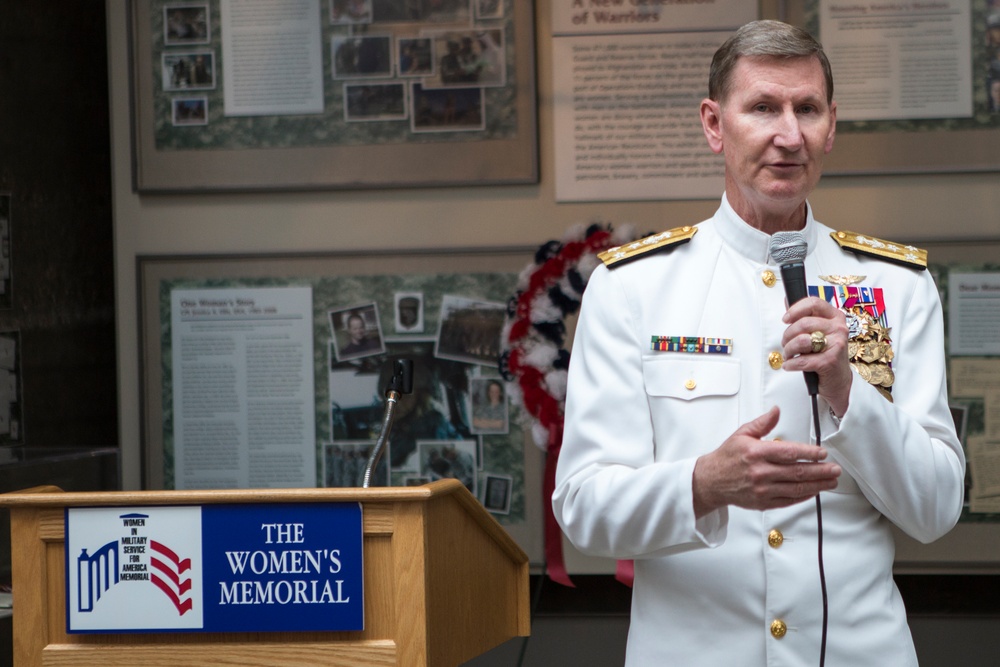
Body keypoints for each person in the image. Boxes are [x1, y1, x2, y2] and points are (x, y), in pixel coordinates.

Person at [552, 20, 964, 666]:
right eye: (764, 108)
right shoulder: (634, 288)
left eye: (807, 109)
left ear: (832, 125)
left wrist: (848, 390)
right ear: (715, 125)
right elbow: (582, 506)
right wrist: (705, 483)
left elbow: (938, 505)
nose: (788, 135)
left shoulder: (894, 286)